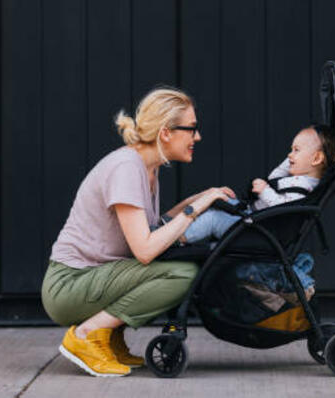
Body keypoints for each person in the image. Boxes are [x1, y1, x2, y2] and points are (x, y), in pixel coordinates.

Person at [41, 87, 234, 377]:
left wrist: (198, 199)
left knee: (179, 266)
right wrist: (194, 210)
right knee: (181, 274)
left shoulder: (147, 168)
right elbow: (144, 250)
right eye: (192, 129)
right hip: (70, 284)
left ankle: (108, 338)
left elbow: (153, 229)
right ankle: (87, 334)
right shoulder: (126, 168)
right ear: (166, 132)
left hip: (93, 277)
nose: (197, 137)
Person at [178, 124, 335, 245]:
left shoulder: (303, 189)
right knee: (219, 199)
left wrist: (265, 191)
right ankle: (173, 228)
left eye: (296, 150)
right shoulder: (301, 179)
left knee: (212, 219)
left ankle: (175, 239)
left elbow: (285, 210)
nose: (290, 154)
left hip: (257, 232)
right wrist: (292, 157)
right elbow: (275, 177)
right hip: (253, 220)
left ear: (316, 159)